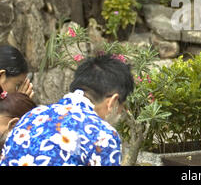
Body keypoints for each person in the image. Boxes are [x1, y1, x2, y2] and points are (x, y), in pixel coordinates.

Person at [0, 54, 135, 166]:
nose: (119, 113)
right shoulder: (103, 135)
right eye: (121, 108)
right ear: (113, 101)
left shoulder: (31, 116)